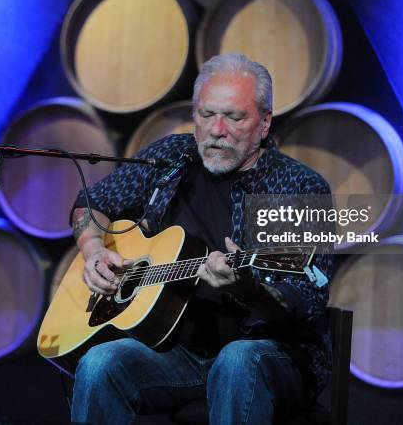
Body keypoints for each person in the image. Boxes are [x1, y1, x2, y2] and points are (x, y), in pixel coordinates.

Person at [70, 53, 332, 425]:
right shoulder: (171, 159)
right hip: (176, 351)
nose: (217, 130)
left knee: (237, 360)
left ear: (264, 122)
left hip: (272, 354)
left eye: (234, 117)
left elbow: (309, 298)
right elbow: (90, 204)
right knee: (100, 364)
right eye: (207, 115)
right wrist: (94, 250)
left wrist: (248, 289)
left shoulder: (299, 189)